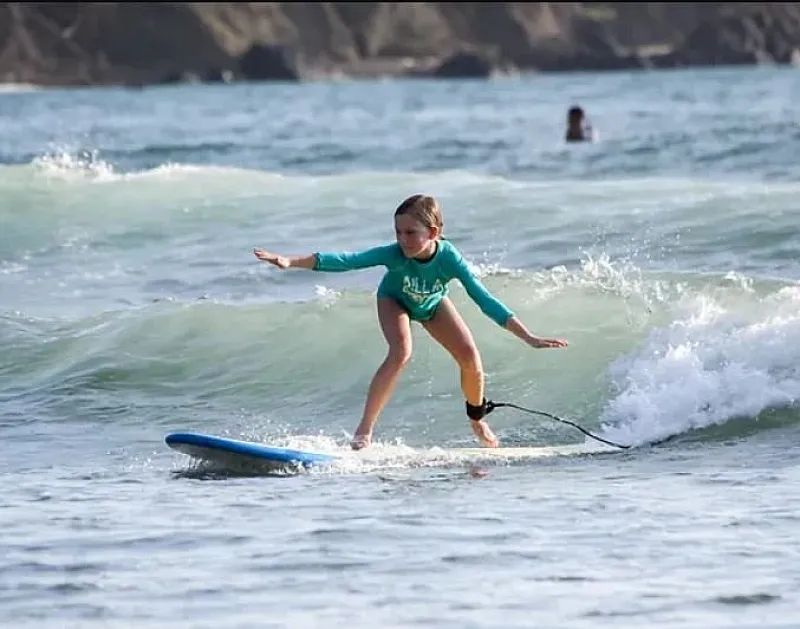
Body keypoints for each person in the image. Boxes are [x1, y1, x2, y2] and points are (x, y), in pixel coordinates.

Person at [253, 194, 568, 450]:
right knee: (401, 352)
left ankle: (477, 418)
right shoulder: (394, 254)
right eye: (398, 232)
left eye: (410, 233)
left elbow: (484, 299)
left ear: (433, 233)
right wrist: (290, 261)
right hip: (394, 300)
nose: (402, 239)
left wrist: (528, 337)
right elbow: (347, 261)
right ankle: (365, 429)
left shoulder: (450, 259)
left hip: (432, 304)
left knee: (470, 357)